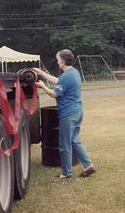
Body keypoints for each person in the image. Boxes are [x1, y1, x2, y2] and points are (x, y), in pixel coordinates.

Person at [33, 49, 96, 179]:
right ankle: (89, 166)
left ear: (62, 61)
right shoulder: (74, 73)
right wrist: (42, 74)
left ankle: (66, 173)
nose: (57, 62)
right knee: (75, 140)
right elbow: (59, 81)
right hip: (78, 112)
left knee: (65, 144)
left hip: (68, 114)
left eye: (58, 60)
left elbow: (55, 93)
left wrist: (43, 86)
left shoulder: (66, 76)